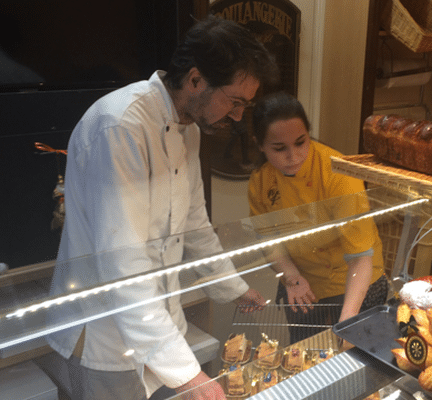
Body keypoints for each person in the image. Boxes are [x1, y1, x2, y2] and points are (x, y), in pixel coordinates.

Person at [45, 16, 279, 400]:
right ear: (196, 79)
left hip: (154, 321)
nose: (238, 116)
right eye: (234, 102)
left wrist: (234, 287)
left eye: (245, 105)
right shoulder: (121, 125)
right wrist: (189, 376)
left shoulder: (188, 129)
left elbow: (195, 225)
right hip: (104, 333)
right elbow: (125, 265)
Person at [247, 91, 389, 344]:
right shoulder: (261, 181)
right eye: (279, 148)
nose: (293, 156)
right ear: (260, 144)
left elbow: (360, 258)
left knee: (352, 360)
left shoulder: (338, 173)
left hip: (354, 284)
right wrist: (291, 277)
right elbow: (267, 238)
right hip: (301, 285)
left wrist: (348, 319)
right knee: (304, 358)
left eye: (301, 142)